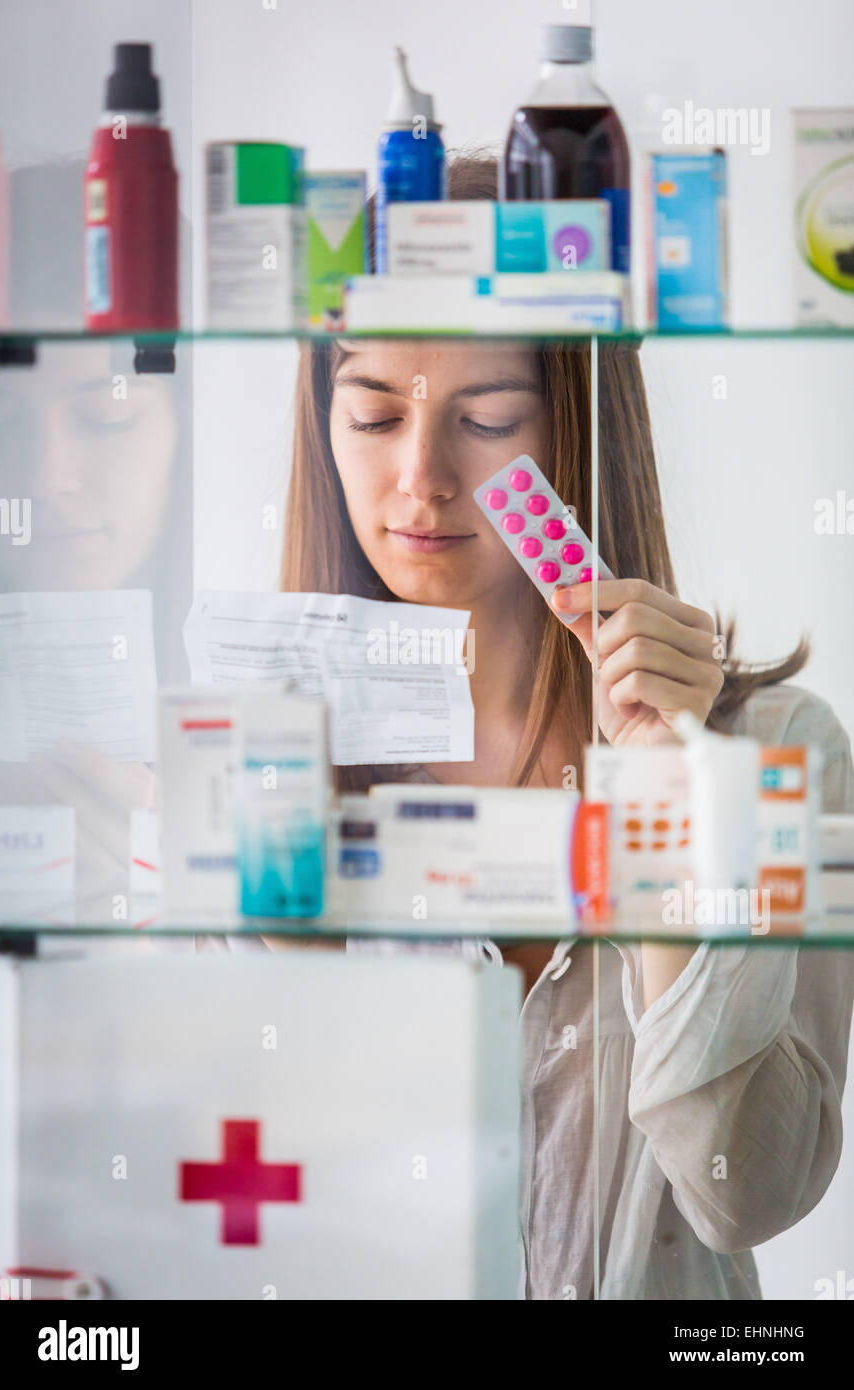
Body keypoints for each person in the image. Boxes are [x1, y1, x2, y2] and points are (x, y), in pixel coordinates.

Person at [279, 155, 854, 1298]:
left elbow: (750, 1192)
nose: (418, 479)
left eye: (487, 417)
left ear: (580, 431)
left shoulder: (776, 748)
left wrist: (664, 804)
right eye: (372, 412)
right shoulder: (262, 764)